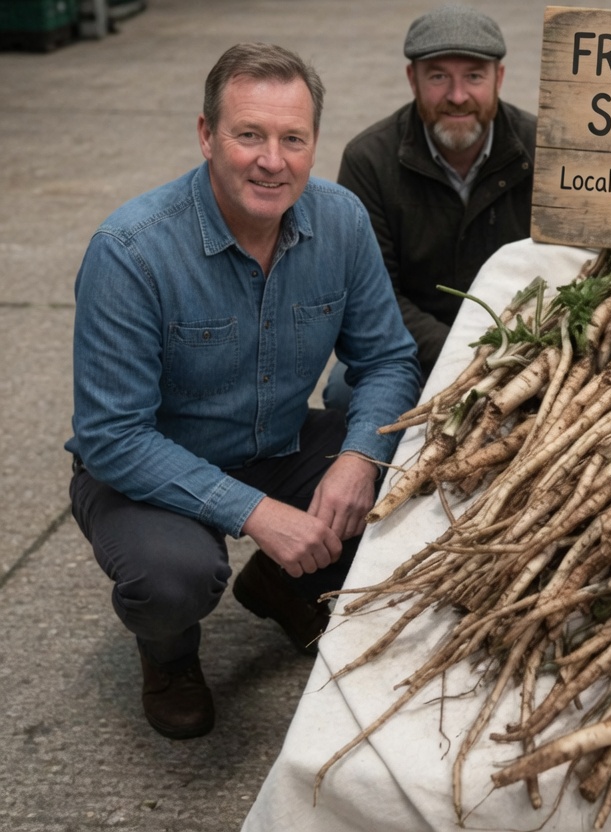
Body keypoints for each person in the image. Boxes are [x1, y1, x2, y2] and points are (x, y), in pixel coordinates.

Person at [66, 42, 423, 740]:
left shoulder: (340, 221)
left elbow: (387, 360)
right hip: (146, 468)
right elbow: (113, 436)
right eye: (249, 135)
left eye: (293, 138)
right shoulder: (132, 250)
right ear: (206, 136)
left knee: (415, 467)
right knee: (174, 578)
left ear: (314, 143)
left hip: (276, 441)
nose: (272, 159)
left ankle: (282, 586)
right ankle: (168, 656)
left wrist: (356, 462)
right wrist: (257, 512)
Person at [324, 2, 537, 407]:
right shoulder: (369, 160)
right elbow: (373, 294)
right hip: (410, 350)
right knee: (343, 392)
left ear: (499, 78)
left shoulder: (542, 149)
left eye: (474, 76)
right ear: (413, 79)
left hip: (524, 349)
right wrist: (469, 355)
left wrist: (513, 351)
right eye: (438, 77)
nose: (457, 96)